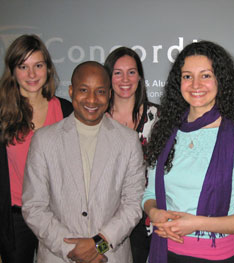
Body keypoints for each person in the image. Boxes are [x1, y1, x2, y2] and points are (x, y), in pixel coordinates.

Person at [143, 40, 234, 263]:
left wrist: (196, 223)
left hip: (216, 256)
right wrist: (154, 213)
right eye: (187, 76)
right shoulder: (164, 132)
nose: (195, 84)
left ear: (221, 80)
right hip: (164, 251)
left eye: (206, 75)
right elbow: (150, 194)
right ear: (178, 82)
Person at [21, 61, 145, 263]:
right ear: (71, 91)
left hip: (109, 256)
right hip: (58, 256)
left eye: (100, 91)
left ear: (109, 95)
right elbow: (34, 206)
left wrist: (99, 245)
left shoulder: (128, 141)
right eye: (83, 90)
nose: (92, 99)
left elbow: (132, 204)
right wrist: (71, 249)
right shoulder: (44, 140)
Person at [0, 34, 73, 263]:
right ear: (13, 71)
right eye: (23, 66)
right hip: (15, 219)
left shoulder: (66, 110)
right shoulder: (2, 113)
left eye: (38, 65)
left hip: (57, 217)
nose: (32, 75)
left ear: (48, 69)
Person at [104, 47, 159, 263]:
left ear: (140, 77)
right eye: (117, 72)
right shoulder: (96, 118)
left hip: (147, 214)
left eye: (131, 72)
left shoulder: (158, 117)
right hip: (106, 216)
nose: (125, 79)